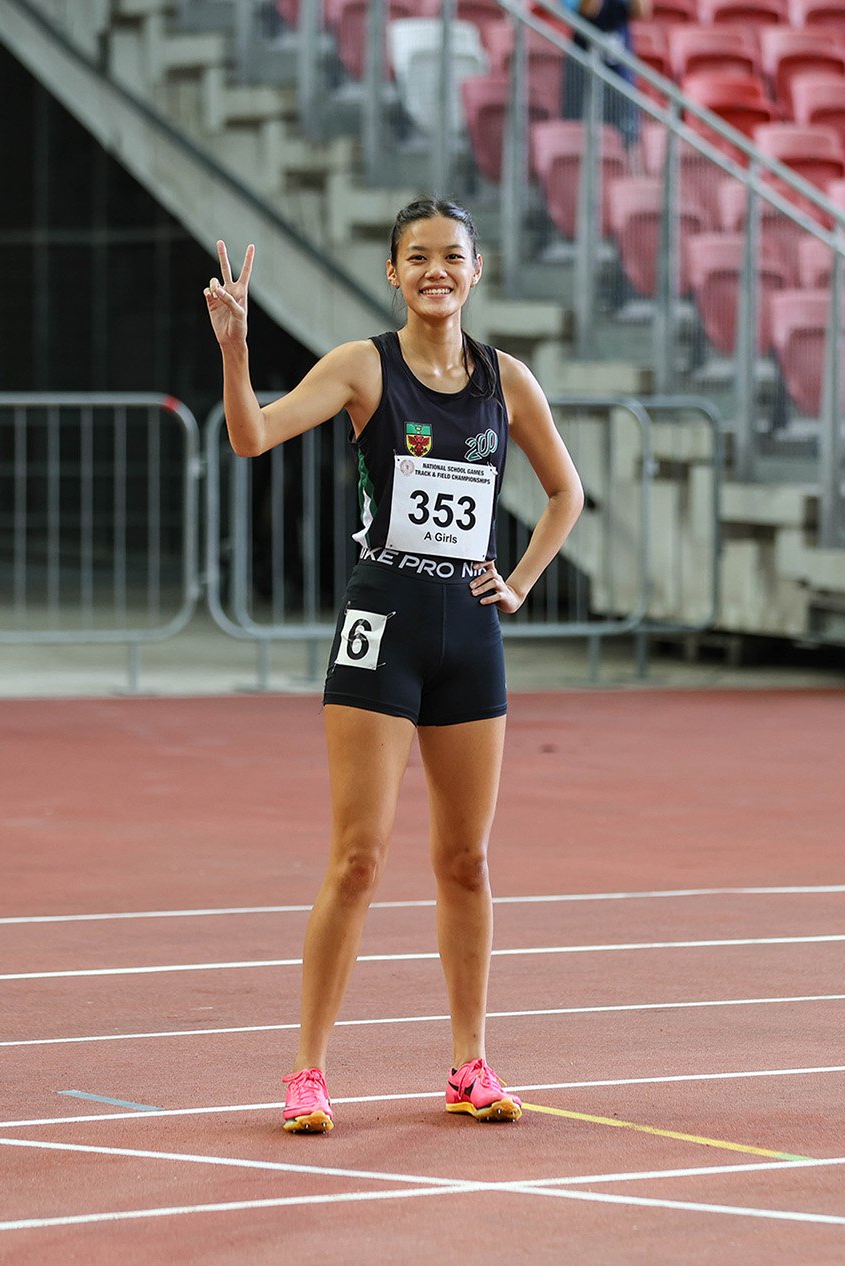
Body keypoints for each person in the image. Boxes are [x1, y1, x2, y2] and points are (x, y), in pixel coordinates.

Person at [204, 198, 584, 1135]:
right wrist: (236, 347)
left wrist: (522, 582)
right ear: (393, 273)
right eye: (416, 258)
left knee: (467, 859)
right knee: (359, 859)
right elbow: (252, 437)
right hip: (382, 626)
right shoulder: (361, 368)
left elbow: (566, 492)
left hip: (470, 636)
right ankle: (307, 1072)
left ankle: (468, 1062)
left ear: (477, 270)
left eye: (450, 257)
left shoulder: (506, 382)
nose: (434, 272)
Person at [561, 0, 649, 143]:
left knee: (623, 135)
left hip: (619, 67)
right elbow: (589, 9)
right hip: (584, 66)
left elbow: (642, 12)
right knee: (581, 133)